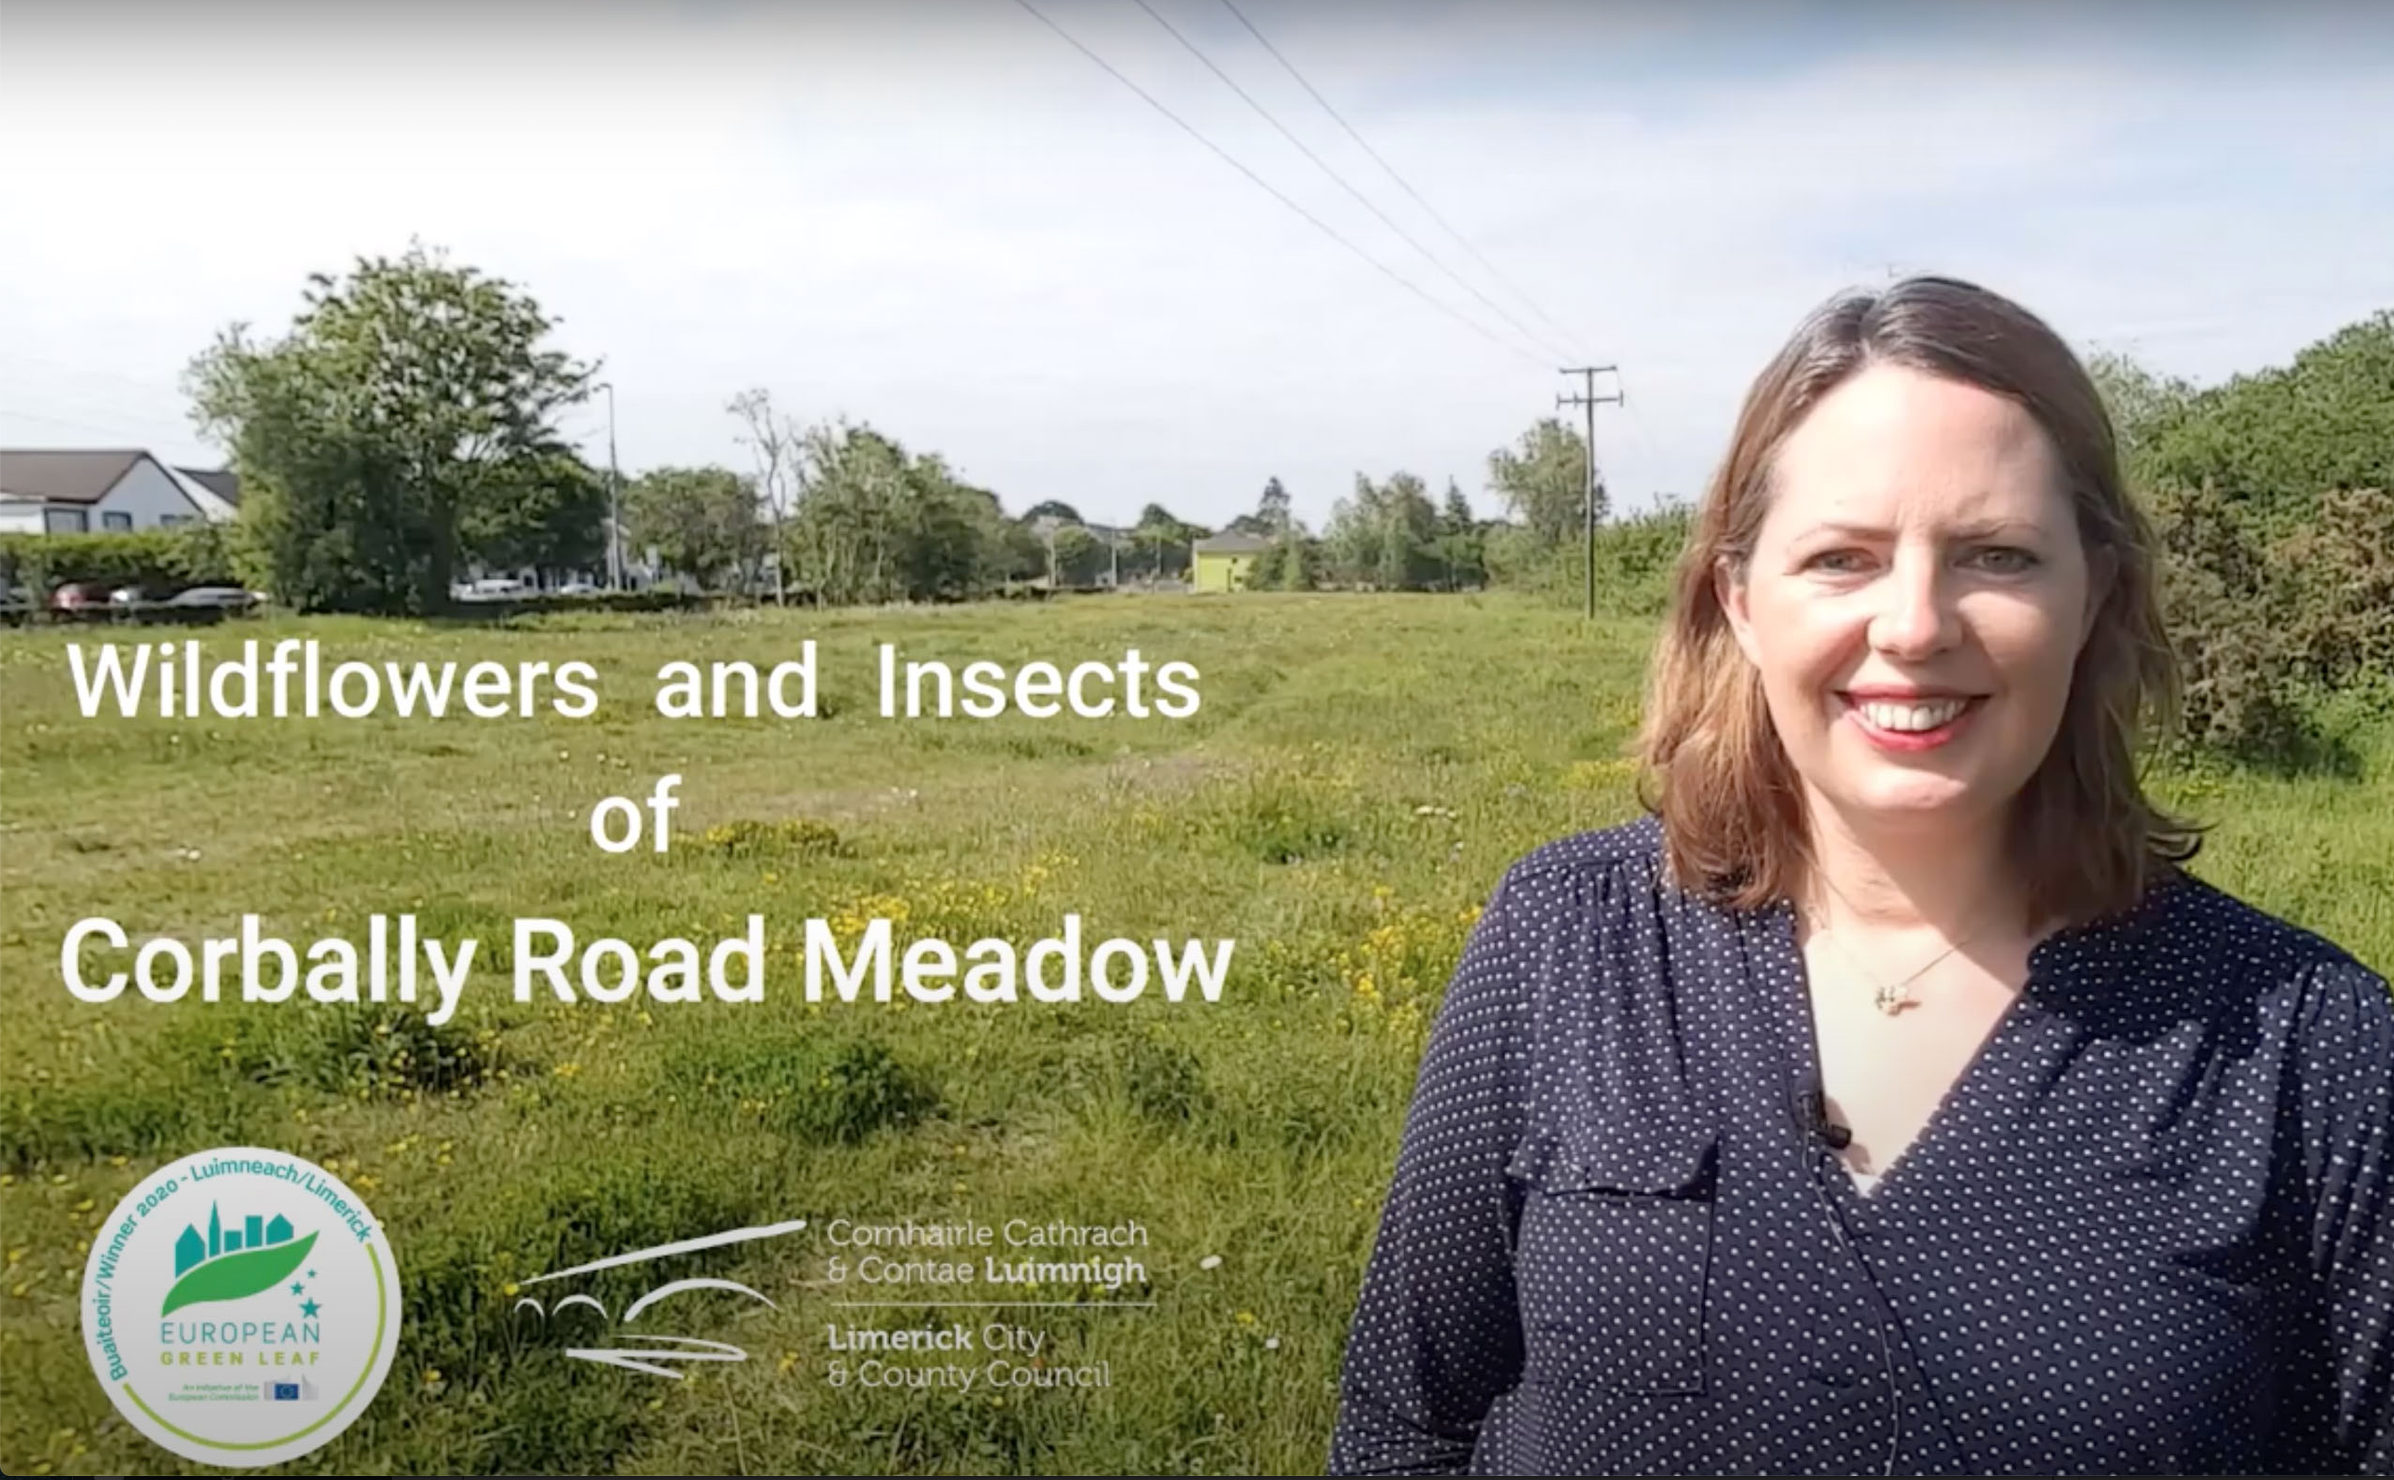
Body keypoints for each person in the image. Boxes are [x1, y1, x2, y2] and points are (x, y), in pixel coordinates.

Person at [1327, 275, 2392, 1476]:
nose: (1916, 624)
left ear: (2093, 593)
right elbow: (1406, 1423)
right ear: (1740, 600)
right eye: (1844, 557)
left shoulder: (2311, 1048)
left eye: (1994, 553)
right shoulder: (1565, 938)